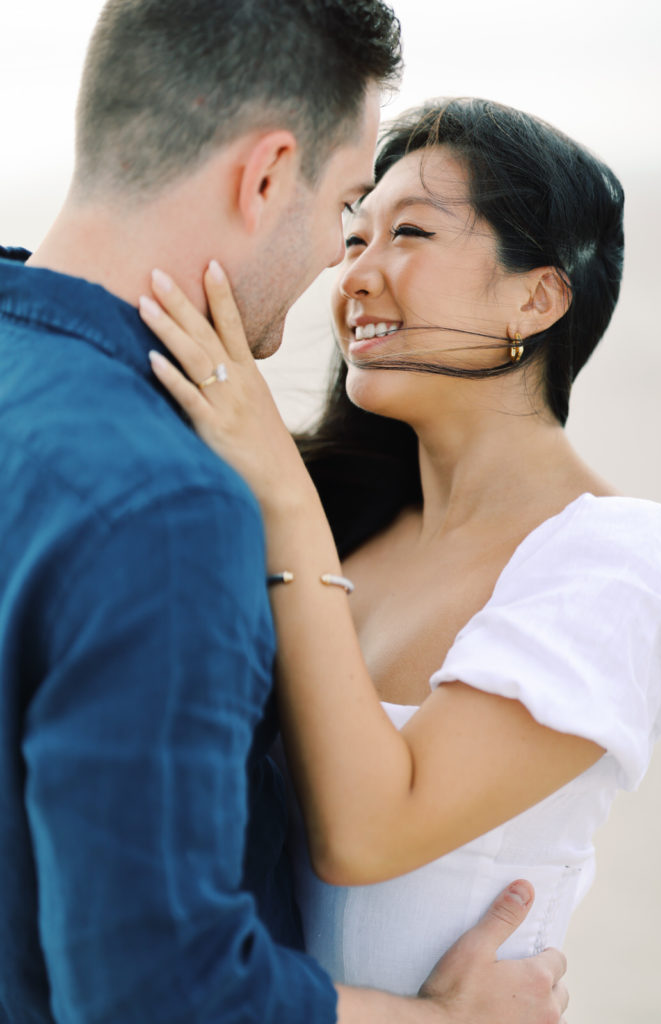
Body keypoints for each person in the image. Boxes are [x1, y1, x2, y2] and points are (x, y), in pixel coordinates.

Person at [0, 2, 569, 1021]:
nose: (334, 264)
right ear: (265, 176)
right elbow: (158, 993)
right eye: (342, 204)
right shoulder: (163, 507)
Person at [141, 97, 661, 995]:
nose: (354, 275)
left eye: (412, 235)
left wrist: (278, 488)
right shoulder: (347, 521)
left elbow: (365, 833)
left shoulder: (617, 561)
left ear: (537, 296)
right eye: (353, 240)